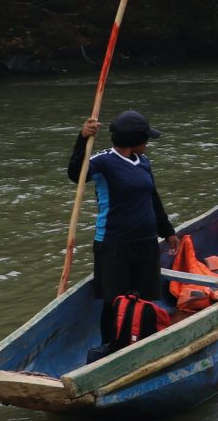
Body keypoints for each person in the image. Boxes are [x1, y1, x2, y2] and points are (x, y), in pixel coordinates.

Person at [68, 110, 180, 345]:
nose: (148, 142)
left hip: (146, 242)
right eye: (145, 138)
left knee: (143, 299)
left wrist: (168, 232)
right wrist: (82, 138)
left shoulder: (144, 162)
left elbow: (153, 199)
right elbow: (76, 174)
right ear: (134, 141)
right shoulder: (103, 162)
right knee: (115, 302)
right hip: (114, 244)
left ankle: (140, 342)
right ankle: (111, 346)